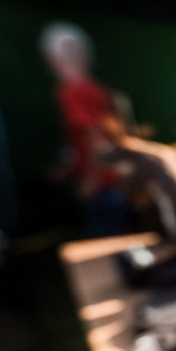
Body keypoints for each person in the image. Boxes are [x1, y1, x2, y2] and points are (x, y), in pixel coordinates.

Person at [40, 22, 126, 236]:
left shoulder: (72, 91)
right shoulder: (98, 89)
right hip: (115, 182)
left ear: (53, 59)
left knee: (104, 253)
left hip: (104, 187)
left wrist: (91, 180)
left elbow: (94, 134)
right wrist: (71, 168)